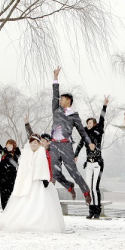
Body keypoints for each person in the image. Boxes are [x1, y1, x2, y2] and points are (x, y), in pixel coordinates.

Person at [0, 134, 66, 233]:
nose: (33, 145)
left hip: (38, 182)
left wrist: (45, 178)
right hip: (27, 182)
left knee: (39, 202)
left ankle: (39, 222)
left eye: (35, 143)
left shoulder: (42, 153)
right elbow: (22, 169)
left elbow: (44, 166)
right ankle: (21, 220)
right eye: (32, 143)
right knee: (23, 202)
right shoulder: (26, 153)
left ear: (39, 144)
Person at [51, 66, 96, 205]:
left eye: (63, 99)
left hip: (66, 145)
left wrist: (89, 142)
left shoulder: (74, 115)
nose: (60, 101)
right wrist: (56, 79)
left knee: (73, 172)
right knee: (55, 173)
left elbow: (82, 131)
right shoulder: (56, 110)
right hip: (54, 145)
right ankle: (68, 186)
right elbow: (54, 94)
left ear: (68, 101)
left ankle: (86, 192)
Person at [74, 96, 109, 219]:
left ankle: (97, 210)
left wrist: (104, 105)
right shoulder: (85, 135)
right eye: (87, 123)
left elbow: (102, 118)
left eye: (90, 123)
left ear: (94, 124)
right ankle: (91, 209)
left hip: (98, 163)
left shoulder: (98, 131)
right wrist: (75, 155)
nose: (88, 124)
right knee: (89, 187)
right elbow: (79, 145)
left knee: (95, 187)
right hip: (88, 163)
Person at [24, 115, 54, 183]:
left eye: (43, 141)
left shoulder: (52, 152)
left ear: (48, 142)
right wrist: (27, 124)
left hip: (49, 178)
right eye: (41, 141)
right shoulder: (39, 150)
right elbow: (31, 137)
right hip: (38, 177)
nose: (42, 143)